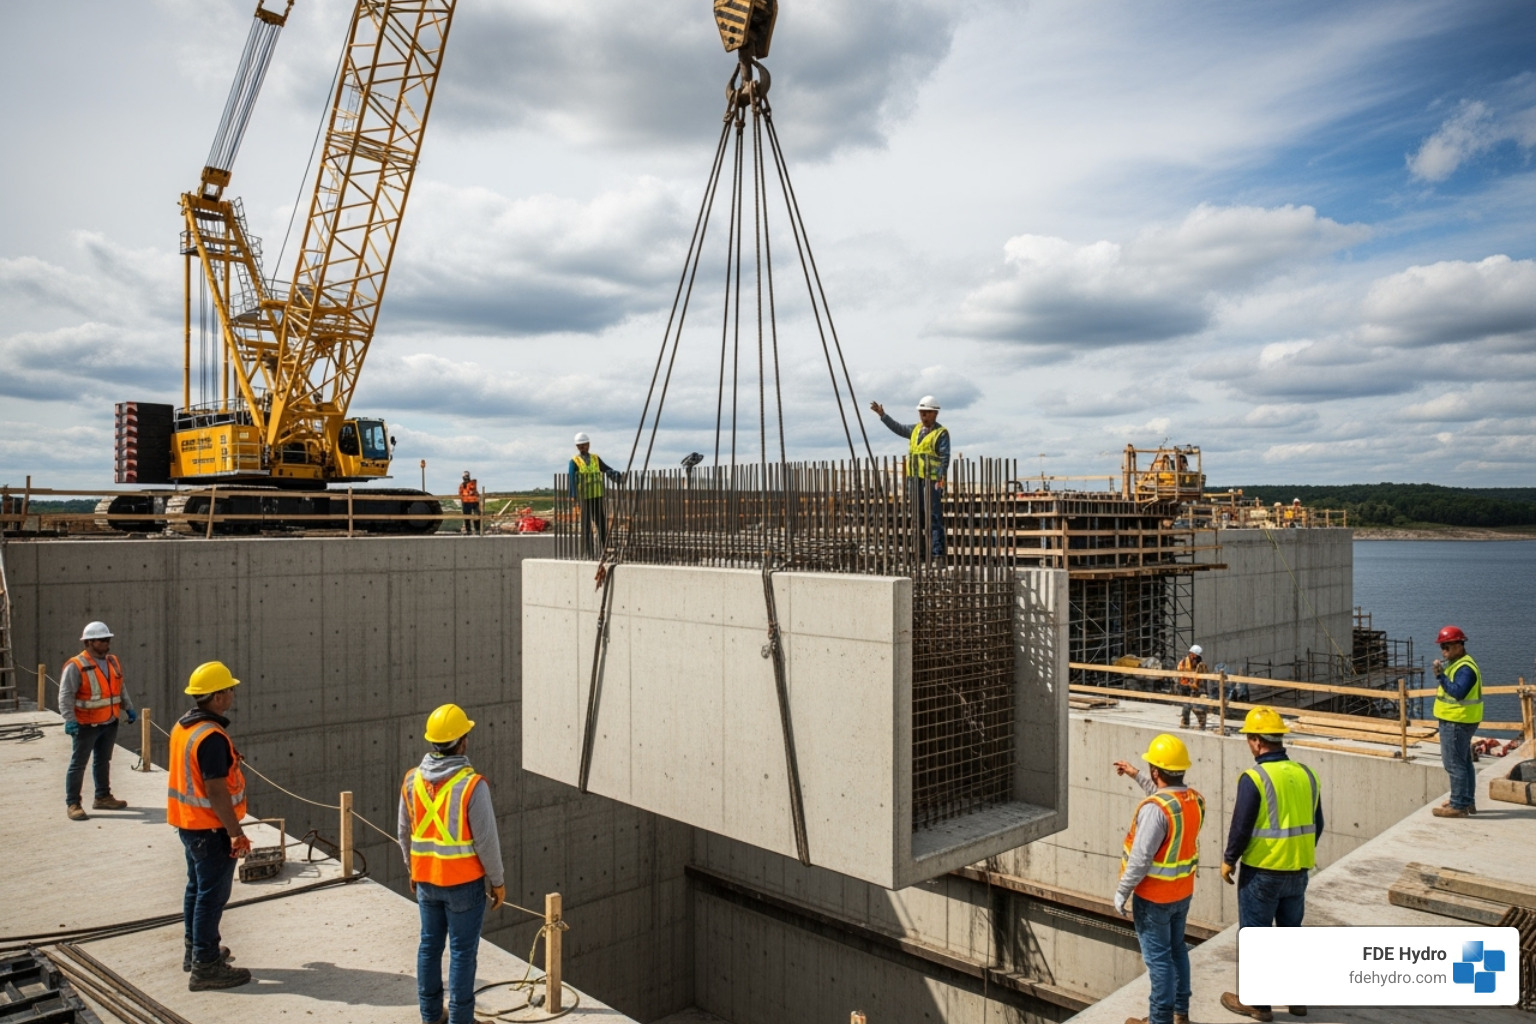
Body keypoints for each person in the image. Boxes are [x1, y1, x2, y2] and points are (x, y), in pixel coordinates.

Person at [1219, 707, 1321, 1023]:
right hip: (1299, 870)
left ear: (1256, 741)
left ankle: (1259, 1004)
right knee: (1291, 934)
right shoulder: (1307, 774)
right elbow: (1318, 823)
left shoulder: (1255, 778)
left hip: (1262, 872)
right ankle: (1296, 998)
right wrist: (1297, 853)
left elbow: (1242, 825)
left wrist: (1228, 859)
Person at [168, 661, 253, 991]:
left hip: (188, 825)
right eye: (229, 689)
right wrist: (236, 832)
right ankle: (206, 967)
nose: (232, 694)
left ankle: (196, 951)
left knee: (196, 888)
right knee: (211, 896)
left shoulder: (185, 726)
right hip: (211, 829)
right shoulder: (211, 737)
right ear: (217, 696)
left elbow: (197, 769)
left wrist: (228, 756)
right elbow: (215, 789)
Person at [1112, 734, 1204, 1024]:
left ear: (1156, 770)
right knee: (1177, 950)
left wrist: (1122, 891)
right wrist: (1136, 775)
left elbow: (1140, 859)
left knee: (1159, 961)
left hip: (1154, 898)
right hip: (1182, 892)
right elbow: (1164, 795)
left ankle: (1159, 1020)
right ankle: (1180, 1013)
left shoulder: (1155, 810)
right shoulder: (1192, 800)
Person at [61, 621, 137, 821]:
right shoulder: (76, 665)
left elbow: (120, 687)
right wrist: (69, 720)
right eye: (102, 640)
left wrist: (128, 708)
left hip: (109, 720)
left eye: (108, 639)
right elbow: (66, 696)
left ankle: (103, 796)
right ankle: (73, 803)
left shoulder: (112, 661)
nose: (107, 643)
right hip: (86, 724)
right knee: (78, 764)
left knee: (103, 760)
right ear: (89, 642)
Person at [868, 396, 949, 558]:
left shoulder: (941, 433)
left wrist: (940, 480)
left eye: (926, 413)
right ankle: (919, 553)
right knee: (917, 517)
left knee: (933, 515)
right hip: (914, 479)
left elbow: (944, 458)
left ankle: (937, 553)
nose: (923, 416)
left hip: (931, 480)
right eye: (921, 413)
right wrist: (883, 416)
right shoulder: (915, 430)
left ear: (934, 414)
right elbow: (898, 428)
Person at [1430, 624, 1482, 818]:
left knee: (1454, 764)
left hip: (1457, 721)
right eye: (1442, 647)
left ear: (1460, 645)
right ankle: (1465, 800)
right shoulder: (1457, 663)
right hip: (1458, 720)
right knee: (1464, 762)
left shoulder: (1466, 668)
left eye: (1447, 647)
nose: (1444, 651)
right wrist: (1443, 673)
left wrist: (1440, 677)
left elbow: (1459, 692)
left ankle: (1459, 805)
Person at [569, 432, 622, 558]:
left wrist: (615, 475)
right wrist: (573, 495)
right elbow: (572, 478)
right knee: (586, 525)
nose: (583, 448)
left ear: (589, 444)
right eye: (580, 446)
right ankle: (589, 552)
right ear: (577, 447)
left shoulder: (595, 458)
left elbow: (605, 468)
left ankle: (605, 548)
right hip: (585, 497)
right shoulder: (574, 461)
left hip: (597, 495)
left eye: (585, 445)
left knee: (601, 522)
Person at [1175, 644, 1207, 731]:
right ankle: (1185, 722)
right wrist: (1187, 683)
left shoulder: (1200, 664)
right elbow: (1180, 674)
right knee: (1186, 705)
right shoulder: (1183, 663)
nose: (1194, 657)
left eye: (1196, 656)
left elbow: (1204, 675)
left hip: (1197, 687)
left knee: (1196, 706)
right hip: (1185, 685)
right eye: (1193, 655)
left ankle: (1202, 724)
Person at [458, 471, 481, 535]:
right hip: (466, 502)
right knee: (467, 517)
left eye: (467, 476)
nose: (466, 477)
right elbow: (460, 493)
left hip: (474, 502)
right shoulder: (462, 485)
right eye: (465, 476)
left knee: (476, 516)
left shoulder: (472, 483)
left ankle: (478, 530)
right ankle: (468, 531)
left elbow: (472, 489)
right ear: (463, 477)